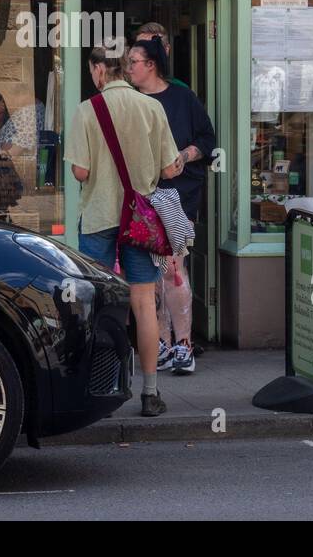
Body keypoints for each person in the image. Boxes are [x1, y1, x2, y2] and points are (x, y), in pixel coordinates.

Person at [67, 45, 183, 416]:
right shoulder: (152, 108)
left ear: (100, 69)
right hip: (141, 222)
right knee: (144, 304)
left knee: (98, 306)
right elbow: (168, 169)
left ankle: (99, 387)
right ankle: (149, 392)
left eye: (92, 70)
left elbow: (80, 173)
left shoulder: (87, 111)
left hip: (100, 216)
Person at [126, 36, 215, 375]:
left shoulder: (181, 97)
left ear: (151, 65)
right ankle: (160, 342)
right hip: (142, 196)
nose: (129, 67)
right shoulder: (131, 101)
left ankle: (183, 345)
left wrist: (185, 155)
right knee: (154, 270)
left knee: (175, 267)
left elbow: (207, 138)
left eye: (134, 61)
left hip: (179, 195)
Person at [136, 21, 188, 88]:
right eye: (139, 47)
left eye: (152, 47)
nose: (144, 53)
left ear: (166, 50)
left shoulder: (182, 91)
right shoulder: (125, 91)